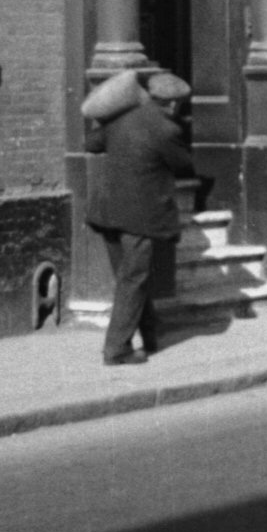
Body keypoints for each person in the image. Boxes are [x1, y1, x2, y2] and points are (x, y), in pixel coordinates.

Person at [83, 71, 195, 366]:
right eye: (180, 105)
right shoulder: (166, 130)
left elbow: (91, 144)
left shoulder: (122, 118)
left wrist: (105, 122)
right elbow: (184, 165)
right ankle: (116, 349)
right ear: (172, 105)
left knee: (131, 278)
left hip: (106, 212)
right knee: (133, 280)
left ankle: (151, 334)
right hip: (139, 217)